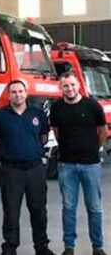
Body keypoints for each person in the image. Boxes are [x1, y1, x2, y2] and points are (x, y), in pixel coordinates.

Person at [0, 80, 56, 255]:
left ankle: (42, 247)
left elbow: (44, 137)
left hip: (35, 169)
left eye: (20, 91)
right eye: (14, 92)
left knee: (38, 209)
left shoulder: (38, 114)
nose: (17, 95)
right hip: (11, 170)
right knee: (11, 210)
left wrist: (31, 149)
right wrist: (5, 153)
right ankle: (10, 248)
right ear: (9, 95)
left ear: (26, 93)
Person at [50, 72, 108, 255]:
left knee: (95, 208)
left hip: (91, 164)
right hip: (66, 165)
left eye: (73, 85)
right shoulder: (57, 108)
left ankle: (97, 247)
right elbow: (56, 132)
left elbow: (102, 132)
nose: (70, 89)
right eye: (66, 86)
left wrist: (92, 149)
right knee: (68, 207)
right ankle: (69, 247)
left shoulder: (92, 106)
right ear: (61, 88)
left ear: (79, 85)